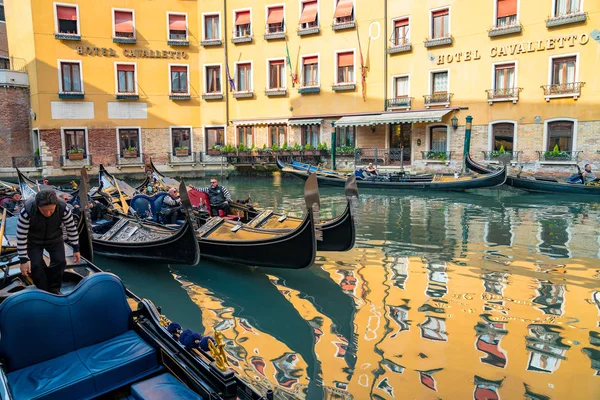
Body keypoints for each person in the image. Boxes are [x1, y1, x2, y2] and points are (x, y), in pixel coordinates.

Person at [17, 189, 80, 294]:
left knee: (60, 262)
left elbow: (71, 228)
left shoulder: (64, 209)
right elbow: (21, 235)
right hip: (33, 240)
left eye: (51, 210)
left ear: (56, 205)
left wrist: (76, 248)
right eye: (44, 210)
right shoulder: (26, 211)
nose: (48, 213)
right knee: (36, 265)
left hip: (55, 237)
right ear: (38, 206)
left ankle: (54, 288)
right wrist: (23, 260)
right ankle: (43, 289)